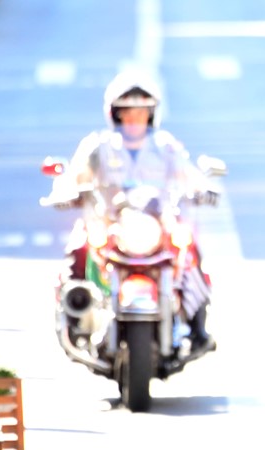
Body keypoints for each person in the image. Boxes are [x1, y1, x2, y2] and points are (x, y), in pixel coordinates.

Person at [55, 69, 219, 349]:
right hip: (111, 224)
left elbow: (187, 172)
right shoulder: (99, 147)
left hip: (155, 226)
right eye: (127, 112)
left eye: (141, 112)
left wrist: (203, 188)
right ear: (116, 115)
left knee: (189, 248)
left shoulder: (166, 147)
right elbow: (74, 175)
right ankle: (75, 315)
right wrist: (65, 193)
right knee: (80, 244)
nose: (134, 118)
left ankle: (197, 325)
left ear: (151, 115)